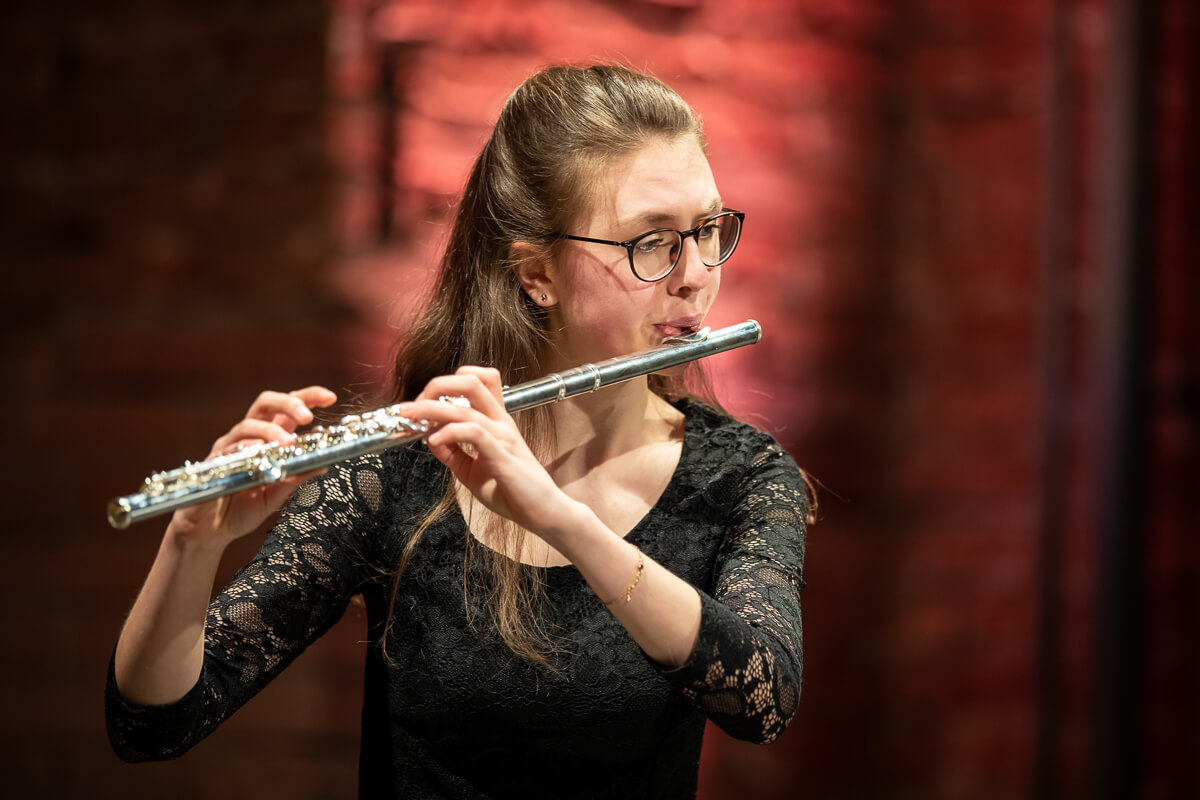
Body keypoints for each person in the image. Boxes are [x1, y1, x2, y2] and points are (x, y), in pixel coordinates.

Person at [106, 63, 812, 799]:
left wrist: (561, 519)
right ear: (536, 274)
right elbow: (151, 728)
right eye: (653, 242)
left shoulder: (742, 478)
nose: (696, 274)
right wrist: (194, 544)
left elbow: (763, 698)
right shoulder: (404, 474)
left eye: (707, 229)